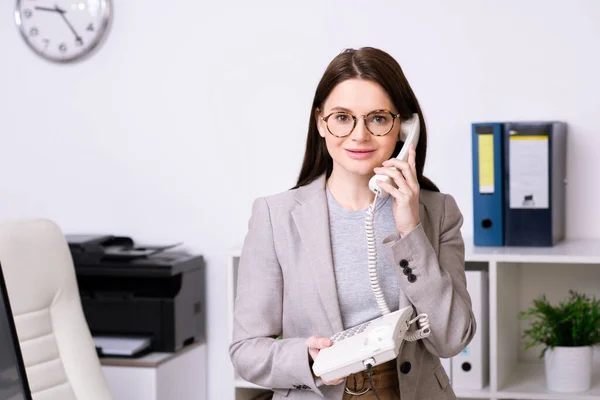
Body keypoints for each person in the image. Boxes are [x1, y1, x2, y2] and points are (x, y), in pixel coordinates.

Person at [229, 47, 476, 400]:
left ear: (404, 128)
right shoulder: (275, 216)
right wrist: (305, 359)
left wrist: (410, 231)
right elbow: (245, 351)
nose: (359, 135)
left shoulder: (438, 213)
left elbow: (452, 339)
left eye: (377, 118)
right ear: (320, 123)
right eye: (343, 117)